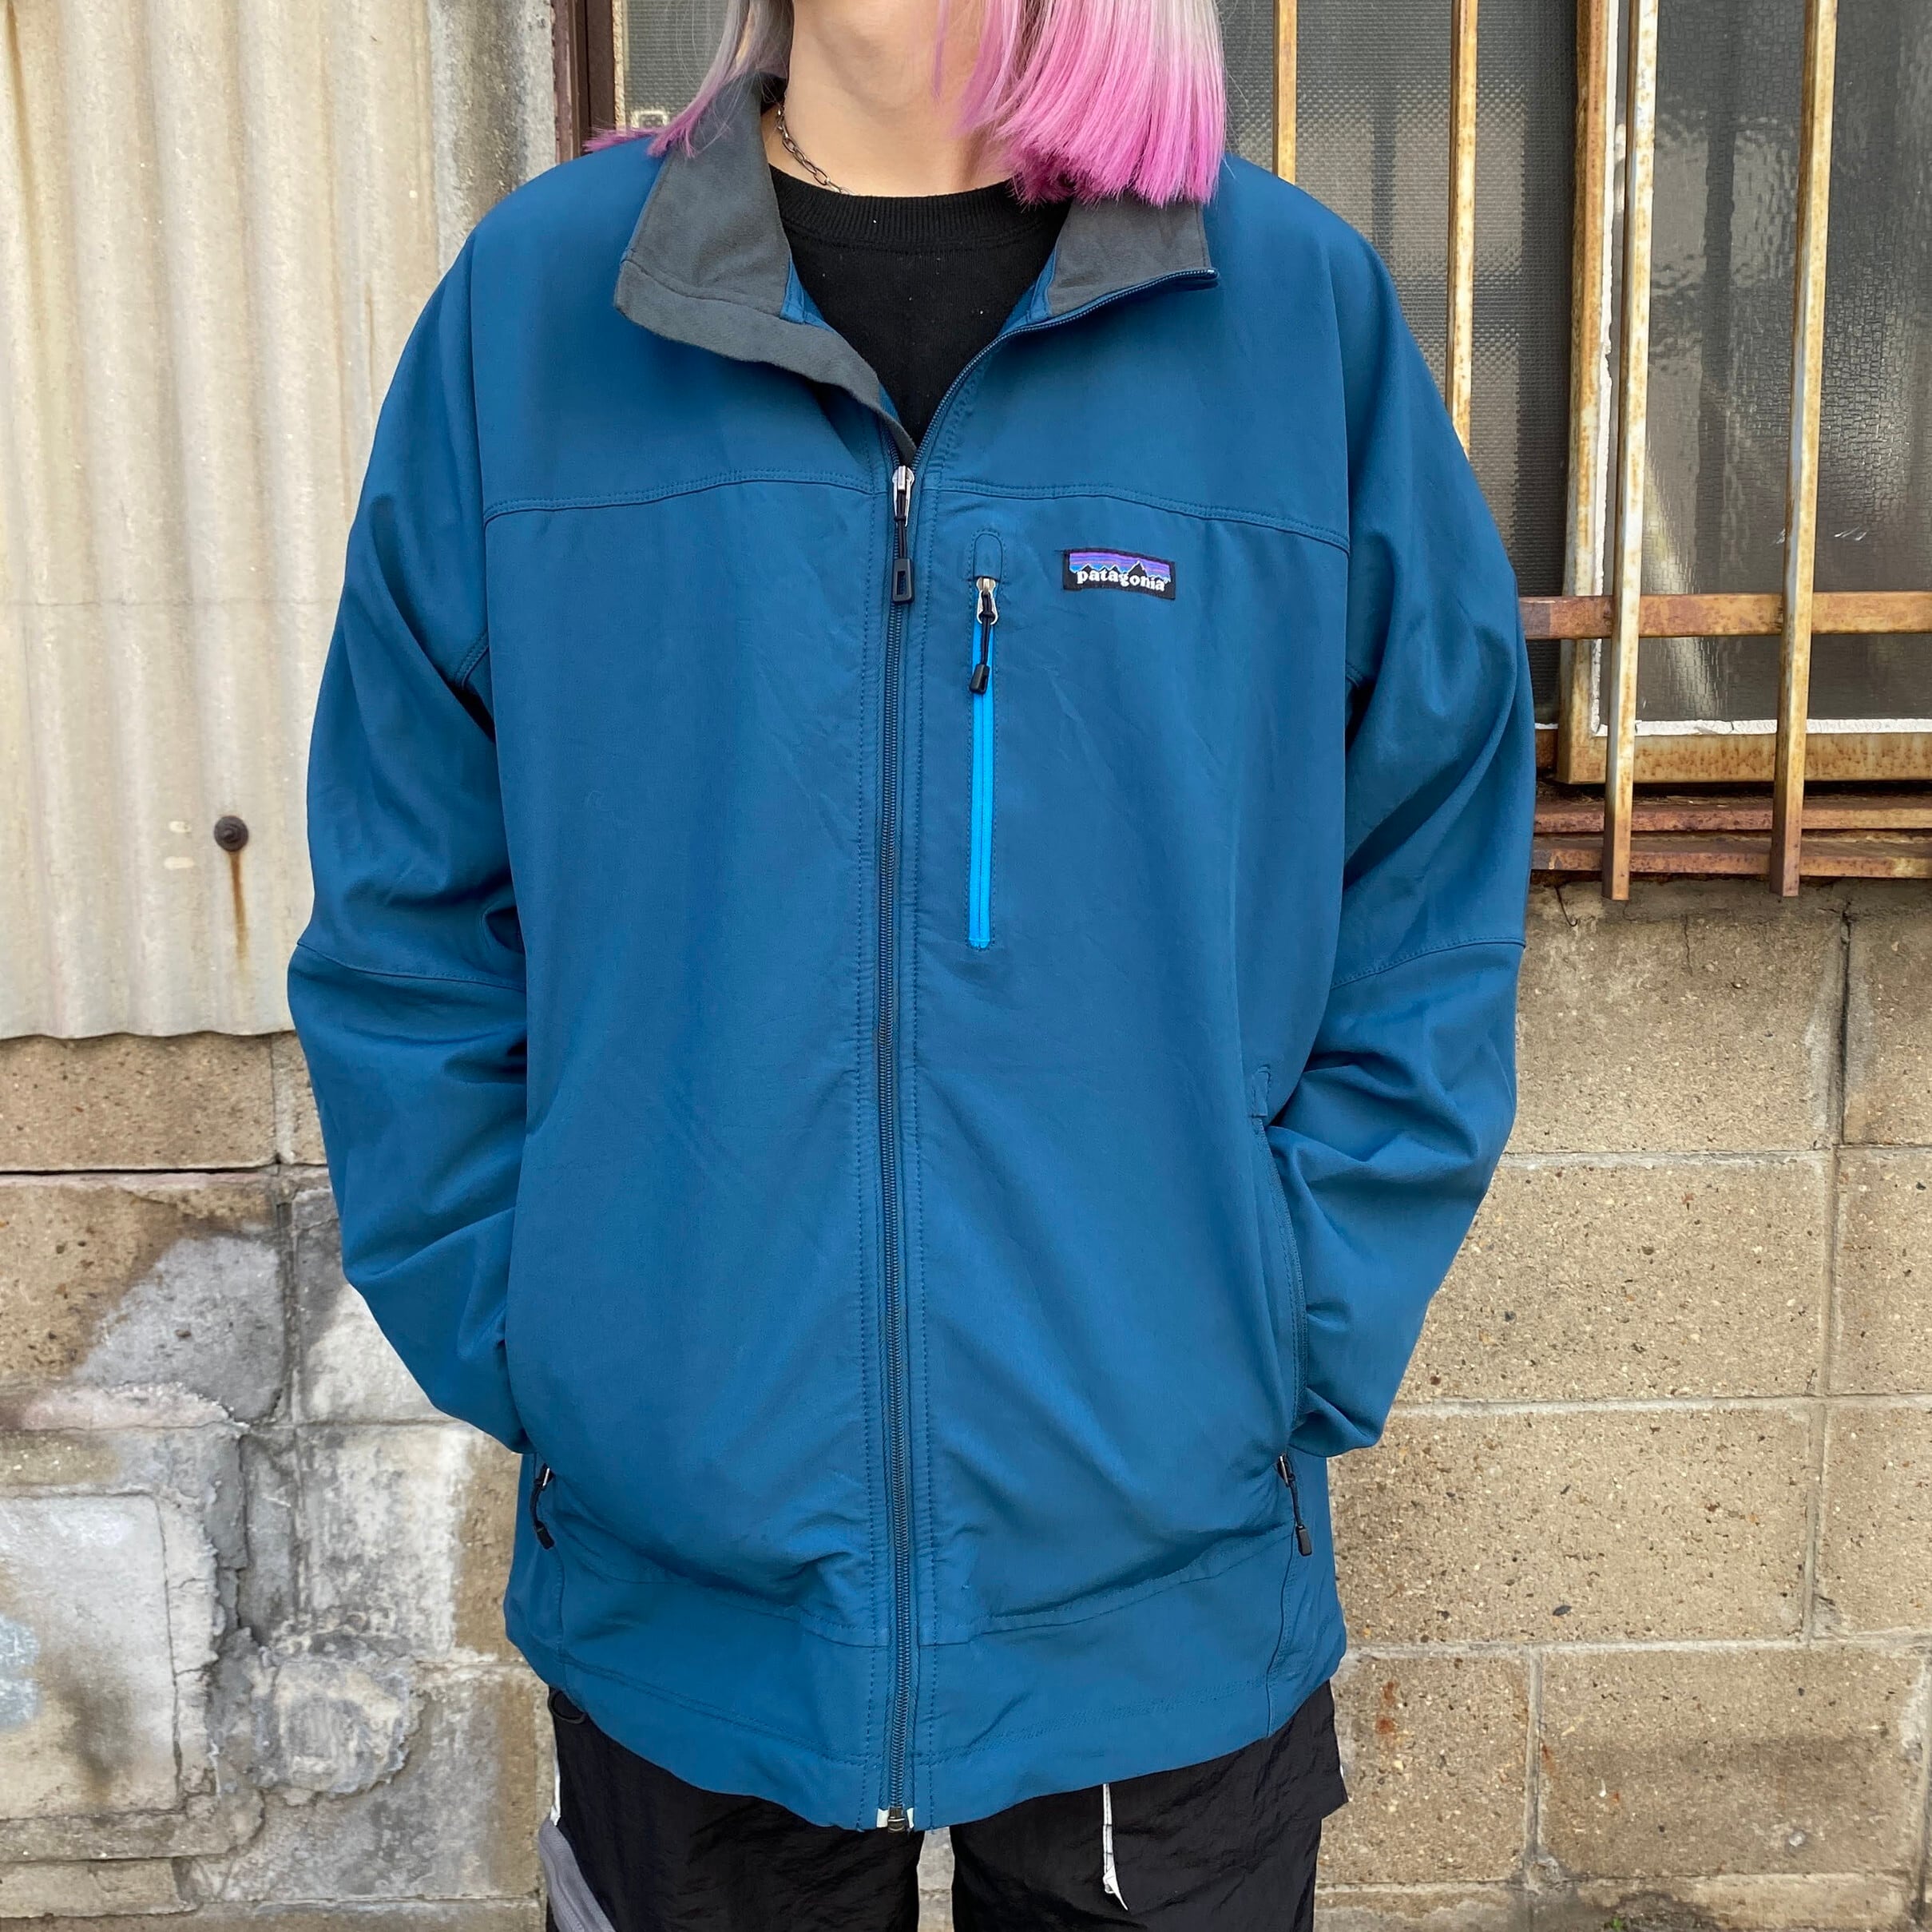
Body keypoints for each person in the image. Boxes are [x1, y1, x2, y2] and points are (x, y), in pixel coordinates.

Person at [288, 0, 1534, 1916]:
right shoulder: (540, 312)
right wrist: (548, 1330)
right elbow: (406, 900)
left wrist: (1293, 1312)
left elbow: (1432, 868)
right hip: (684, 1600)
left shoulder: (1290, 317)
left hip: (1162, 1593)